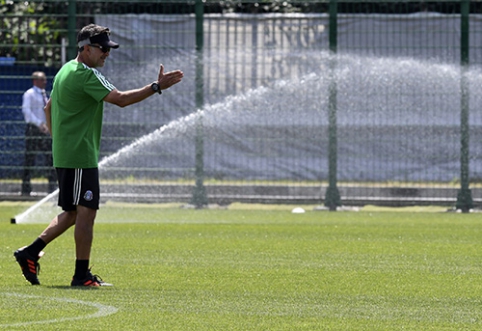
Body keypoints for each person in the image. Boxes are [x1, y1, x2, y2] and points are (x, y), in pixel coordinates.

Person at [14, 23, 183, 287]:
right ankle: (81, 276)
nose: (107, 53)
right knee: (86, 212)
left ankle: (30, 252)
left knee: (71, 213)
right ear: (86, 49)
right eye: (103, 48)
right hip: (80, 156)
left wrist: (59, 140)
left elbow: (48, 108)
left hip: (67, 153)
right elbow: (121, 99)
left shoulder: (64, 71)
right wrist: (156, 86)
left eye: (109, 48)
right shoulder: (86, 74)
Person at [21, 71, 57, 196]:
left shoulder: (44, 94)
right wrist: (39, 124)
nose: (45, 82)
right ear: (35, 81)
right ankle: (26, 189)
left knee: (51, 158)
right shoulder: (29, 94)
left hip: (45, 130)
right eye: (42, 79)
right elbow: (27, 113)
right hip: (34, 129)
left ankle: (52, 187)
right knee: (30, 159)